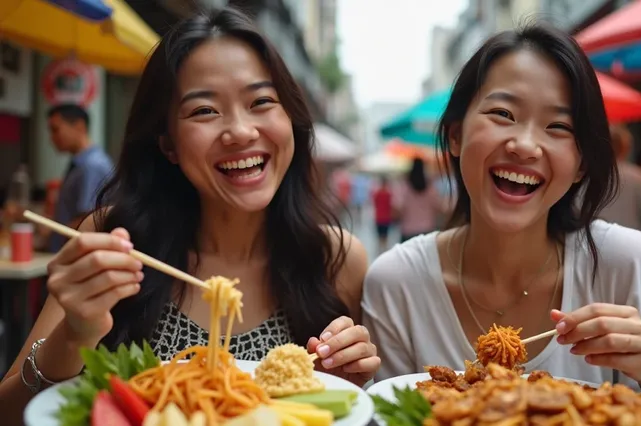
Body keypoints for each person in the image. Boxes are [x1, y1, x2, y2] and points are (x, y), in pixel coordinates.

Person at [0, 7, 379, 423]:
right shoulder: (115, 241)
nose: (241, 131)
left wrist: (339, 383)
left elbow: (347, 406)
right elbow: (10, 412)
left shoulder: (337, 258)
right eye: (204, 111)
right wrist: (74, 334)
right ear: (168, 143)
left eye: (261, 102)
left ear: (290, 118)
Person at [362, 23, 641, 426]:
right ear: (455, 134)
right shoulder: (396, 283)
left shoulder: (626, 264)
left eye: (558, 127)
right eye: (503, 114)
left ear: (581, 165)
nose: (525, 145)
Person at [46, 104, 114, 253]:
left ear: (79, 126)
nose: (52, 138)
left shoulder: (92, 166)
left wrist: (50, 231)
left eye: (56, 130)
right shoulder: (82, 163)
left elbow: (87, 219)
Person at [393, 157, 446, 242]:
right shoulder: (430, 188)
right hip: (427, 230)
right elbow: (439, 207)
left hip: (408, 231)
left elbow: (398, 209)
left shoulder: (404, 187)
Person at [371, 176, 393, 253]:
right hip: (386, 217)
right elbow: (391, 205)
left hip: (379, 216)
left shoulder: (378, 193)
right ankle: (384, 248)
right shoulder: (388, 194)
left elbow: (375, 203)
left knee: (380, 234)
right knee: (385, 234)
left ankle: (380, 248)